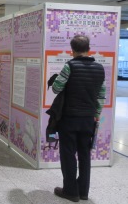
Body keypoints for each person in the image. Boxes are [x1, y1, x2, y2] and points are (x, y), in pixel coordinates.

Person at [52, 35, 105, 202]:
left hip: (69, 118)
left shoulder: (70, 66)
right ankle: (83, 191)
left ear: (72, 50)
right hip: (88, 119)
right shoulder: (99, 68)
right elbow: (101, 95)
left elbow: (56, 88)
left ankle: (70, 191)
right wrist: (96, 115)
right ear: (89, 48)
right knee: (84, 155)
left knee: (68, 154)